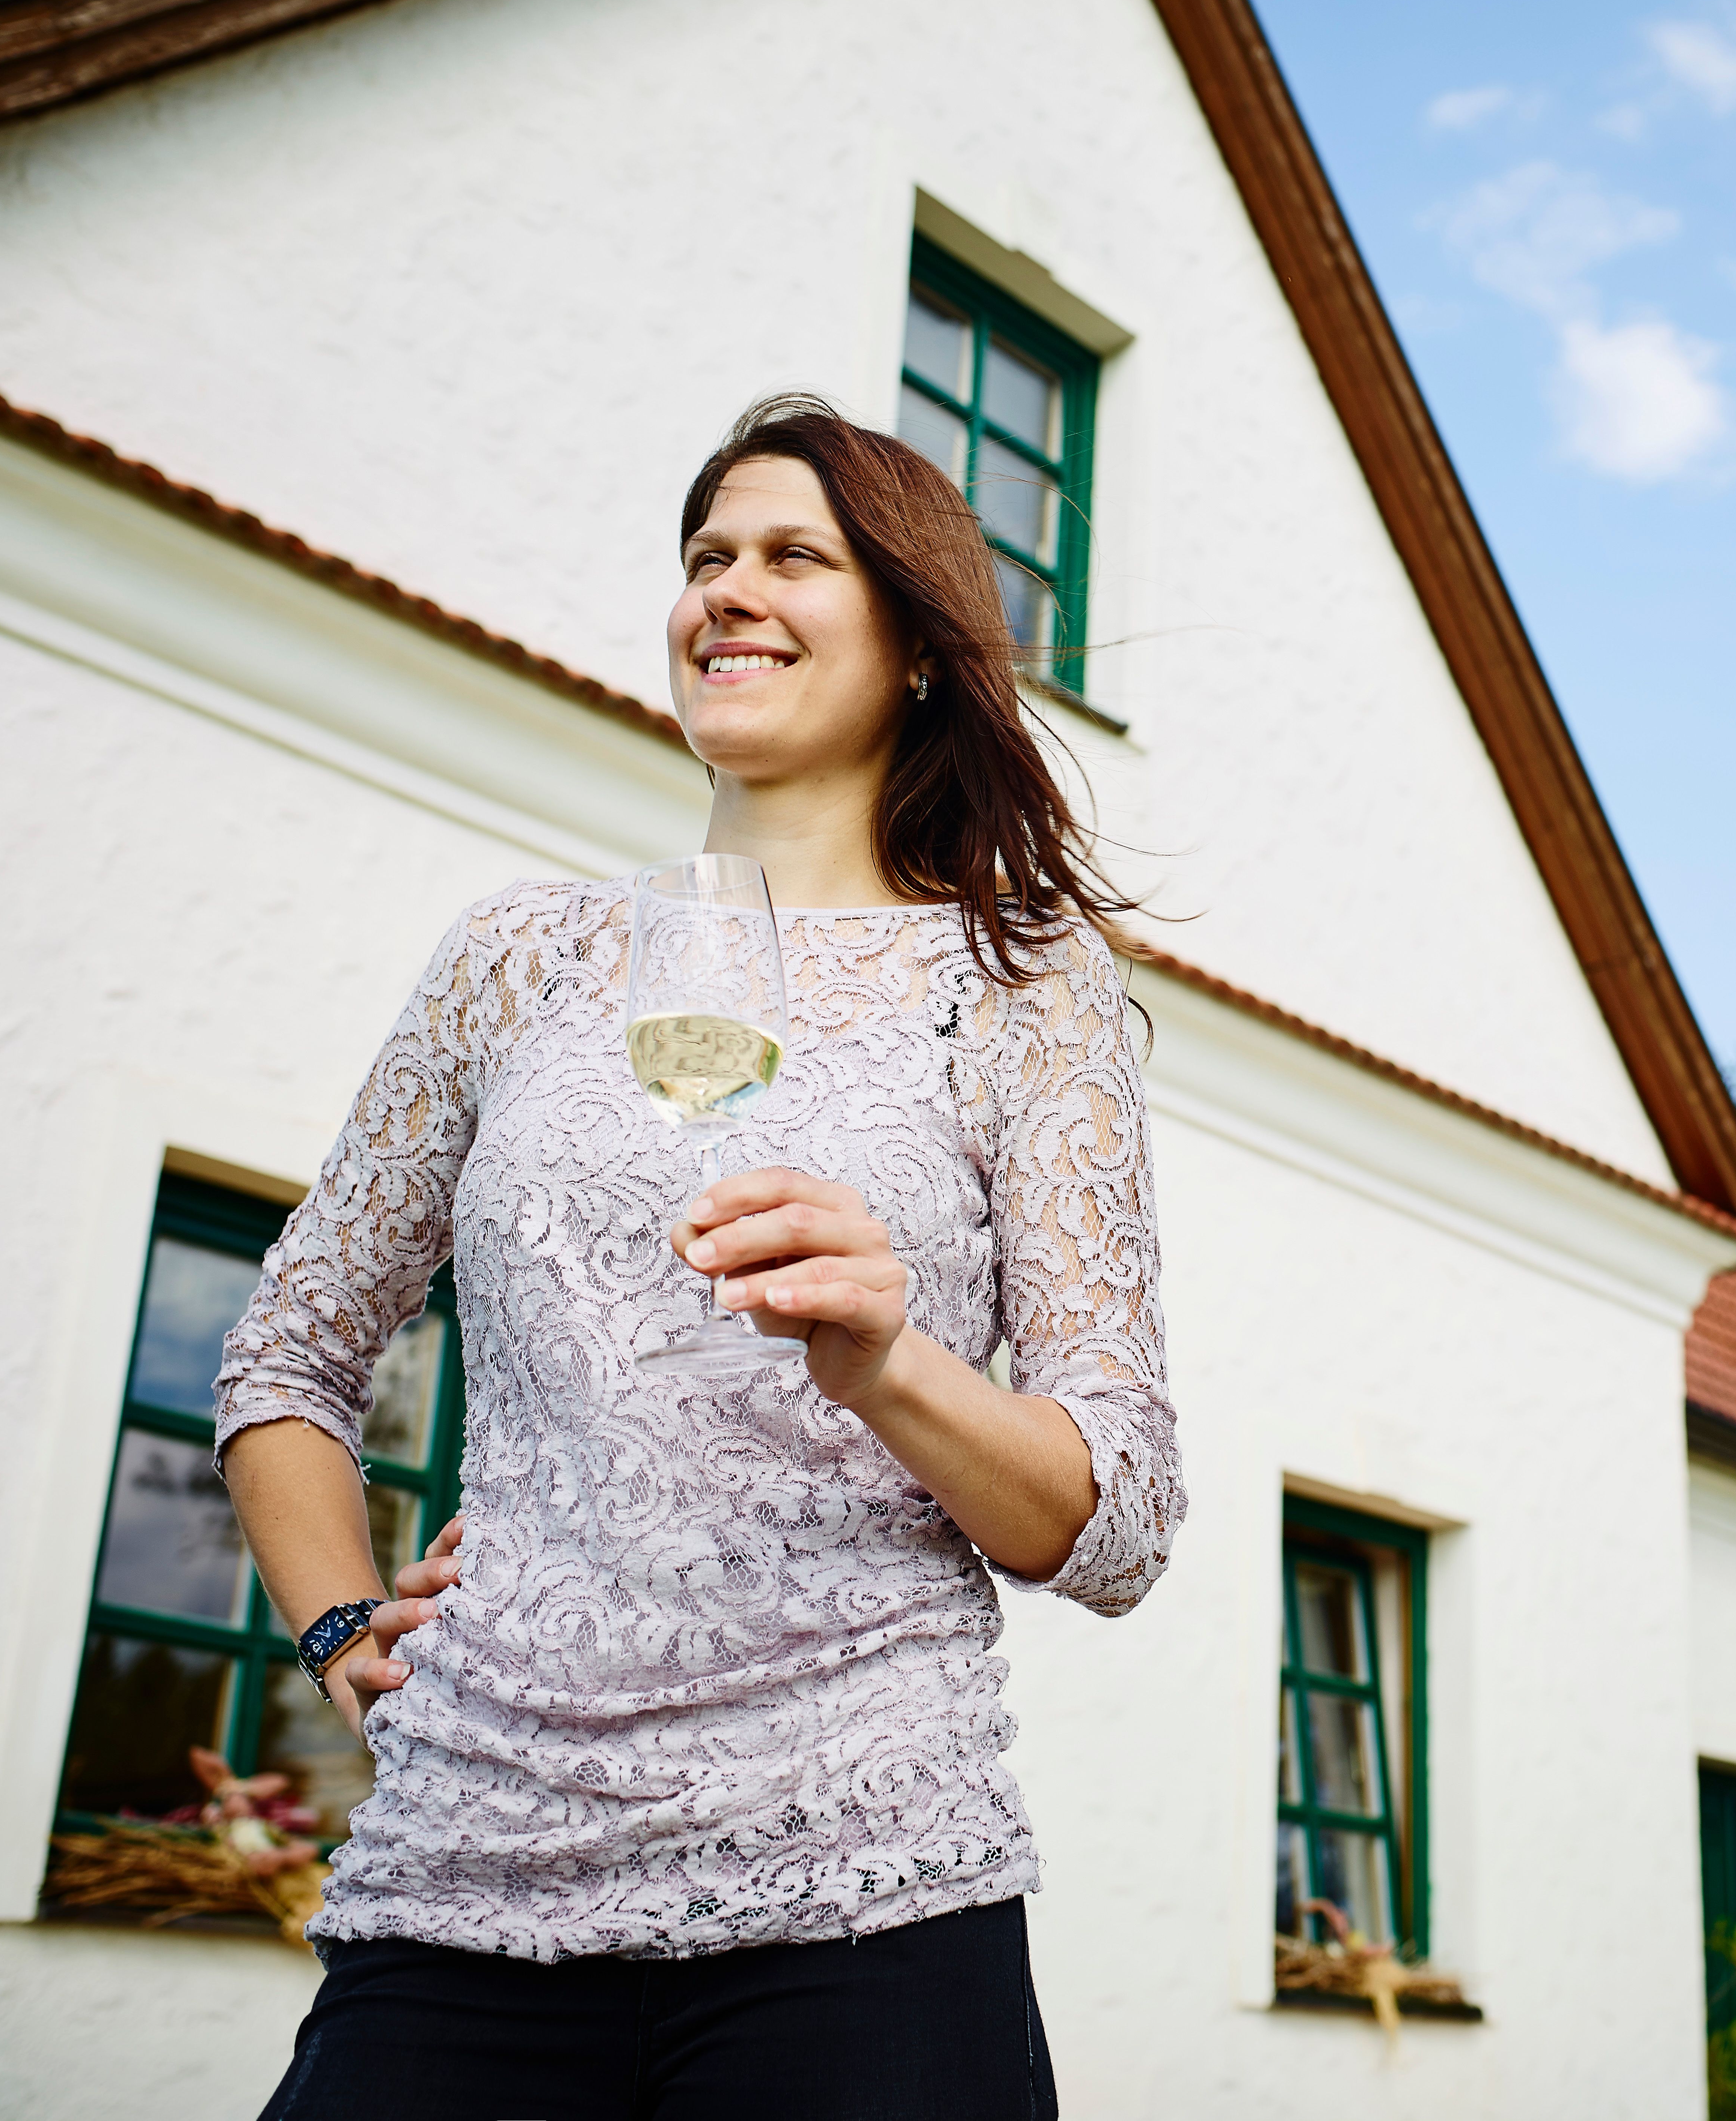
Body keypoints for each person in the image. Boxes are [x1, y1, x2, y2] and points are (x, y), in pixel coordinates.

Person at [219, 394, 1181, 2119]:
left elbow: (1114, 1524)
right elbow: (288, 1352)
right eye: (705, 556)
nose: (729, 589)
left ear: (913, 646)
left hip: (864, 1899)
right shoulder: (520, 959)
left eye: (794, 556)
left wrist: (887, 1359)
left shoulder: (1025, 987)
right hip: (469, 1875)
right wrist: (343, 1628)